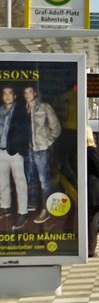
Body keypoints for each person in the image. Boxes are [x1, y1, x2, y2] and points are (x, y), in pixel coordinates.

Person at [23, 84, 62, 224]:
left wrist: (48, 141)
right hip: (28, 149)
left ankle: (46, 209)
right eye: (25, 92)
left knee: (44, 181)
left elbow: (56, 127)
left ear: (35, 93)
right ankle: (33, 204)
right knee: (30, 178)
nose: (27, 95)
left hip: (41, 149)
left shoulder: (44, 107)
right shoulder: (24, 109)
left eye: (29, 92)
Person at [0, 85, 31, 231]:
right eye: (4, 93)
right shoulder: (0, 111)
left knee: (20, 183)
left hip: (15, 153)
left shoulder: (20, 112)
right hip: (0, 152)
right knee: (2, 182)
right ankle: (5, 206)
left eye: (10, 93)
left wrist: (20, 150)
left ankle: (22, 212)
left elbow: (25, 132)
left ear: (15, 96)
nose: (7, 96)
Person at [84, 125, 99, 258]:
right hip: (92, 188)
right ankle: (91, 249)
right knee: (92, 220)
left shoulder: (76, 150)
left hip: (78, 187)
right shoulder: (91, 151)